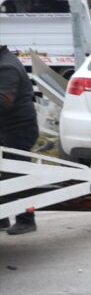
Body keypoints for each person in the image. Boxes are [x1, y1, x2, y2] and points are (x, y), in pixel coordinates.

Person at [0, 44, 39, 235]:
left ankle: (26, 219)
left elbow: (4, 101)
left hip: (18, 130)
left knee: (19, 175)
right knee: (3, 174)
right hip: (6, 129)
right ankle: (2, 217)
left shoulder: (6, 67)